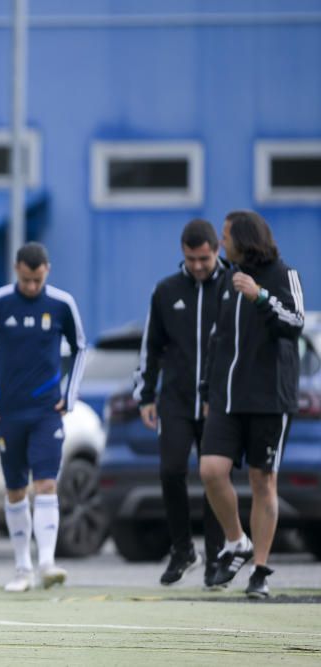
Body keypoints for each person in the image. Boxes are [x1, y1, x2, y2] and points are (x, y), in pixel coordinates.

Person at [0, 242, 86, 593]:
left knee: (46, 483)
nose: (32, 287)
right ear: (16, 270)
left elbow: (80, 346)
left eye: (37, 280)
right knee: (15, 488)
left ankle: (47, 563)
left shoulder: (62, 304)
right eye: (25, 280)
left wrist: (70, 395)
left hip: (46, 412)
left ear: (47, 270)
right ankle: (23, 568)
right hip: (9, 412)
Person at [200, 210, 304, 598]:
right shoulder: (226, 279)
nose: (220, 243)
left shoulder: (283, 273)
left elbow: (294, 324)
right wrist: (207, 389)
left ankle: (259, 569)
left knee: (263, 480)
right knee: (211, 470)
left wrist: (260, 295)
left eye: (225, 236)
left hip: (269, 399)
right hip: (226, 397)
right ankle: (236, 540)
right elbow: (217, 338)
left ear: (243, 238)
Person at [134, 219, 227, 587]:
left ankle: (217, 558)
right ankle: (183, 549)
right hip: (175, 400)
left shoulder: (231, 287)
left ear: (216, 250)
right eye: (191, 259)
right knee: (171, 470)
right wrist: (145, 395)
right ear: (183, 254)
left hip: (218, 403)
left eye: (204, 258)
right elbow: (151, 346)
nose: (199, 266)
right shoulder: (166, 290)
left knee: (214, 478)